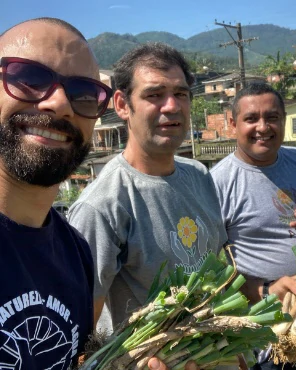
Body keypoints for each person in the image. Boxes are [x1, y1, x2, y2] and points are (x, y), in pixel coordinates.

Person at [0, 18, 192, 370]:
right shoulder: (102, 207)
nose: (59, 103)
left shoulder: (75, 254)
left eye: (83, 93)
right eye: (28, 78)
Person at [68, 42, 227, 364]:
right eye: (154, 95)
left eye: (180, 94)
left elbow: (217, 272)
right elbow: (81, 338)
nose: (171, 106)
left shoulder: (198, 176)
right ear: (122, 105)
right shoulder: (103, 205)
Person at [210, 82, 296, 370]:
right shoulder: (217, 183)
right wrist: (266, 290)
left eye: (272, 117)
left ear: (283, 120)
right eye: (251, 119)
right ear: (233, 124)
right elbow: (214, 269)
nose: (263, 127)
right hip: (268, 332)